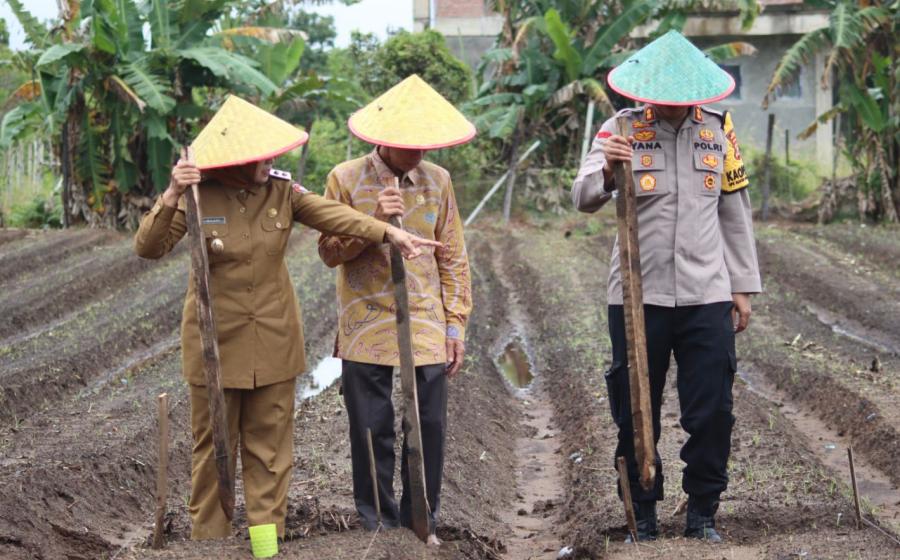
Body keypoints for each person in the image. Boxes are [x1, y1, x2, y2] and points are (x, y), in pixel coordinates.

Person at [134, 95, 439, 540]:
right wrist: (174, 192)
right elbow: (148, 247)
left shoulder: (282, 191)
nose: (271, 161)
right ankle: (210, 544)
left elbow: (333, 216)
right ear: (236, 158)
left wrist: (386, 229)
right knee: (212, 448)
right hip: (214, 344)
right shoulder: (199, 193)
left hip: (275, 342)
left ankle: (264, 544)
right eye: (262, 154)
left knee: (270, 452)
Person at [571, 31, 762, 543]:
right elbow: (582, 195)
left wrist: (741, 285)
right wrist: (610, 169)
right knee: (635, 408)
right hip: (637, 295)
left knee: (713, 408)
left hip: (707, 292)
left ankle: (702, 511)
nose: (672, 102)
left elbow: (733, 211)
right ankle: (645, 514)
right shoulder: (620, 128)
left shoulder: (719, 132)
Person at [317, 75, 473, 545]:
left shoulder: (438, 180)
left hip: (425, 321)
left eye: (425, 144)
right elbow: (328, 252)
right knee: (371, 424)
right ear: (382, 140)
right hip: (367, 321)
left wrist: (455, 325)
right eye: (408, 145)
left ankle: (421, 518)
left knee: (428, 424)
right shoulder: (345, 179)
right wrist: (376, 223)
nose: (418, 153)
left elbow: (453, 256)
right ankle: (378, 524)